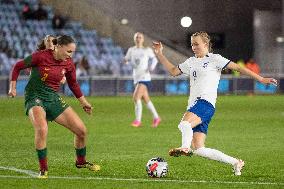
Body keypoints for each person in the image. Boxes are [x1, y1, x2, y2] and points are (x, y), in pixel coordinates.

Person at [152, 31, 277, 176]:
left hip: (205, 103)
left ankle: (185, 147)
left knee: (184, 124)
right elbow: (173, 71)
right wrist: (159, 53)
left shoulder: (215, 59)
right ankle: (236, 162)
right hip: (195, 106)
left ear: (205, 44)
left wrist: (261, 79)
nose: (193, 47)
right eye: (192, 44)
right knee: (199, 148)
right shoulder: (191, 62)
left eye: (196, 44)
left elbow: (239, 68)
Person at [8, 35, 100, 178]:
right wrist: (12, 87)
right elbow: (18, 66)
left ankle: (81, 162)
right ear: (59, 47)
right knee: (42, 128)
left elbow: (73, 83)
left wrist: (84, 102)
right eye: (69, 51)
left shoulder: (68, 63)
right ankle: (43, 169)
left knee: (81, 131)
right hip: (35, 97)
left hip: (52, 98)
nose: (71, 55)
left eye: (73, 52)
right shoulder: (40, 57)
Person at [124, 32, 161, 128]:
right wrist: (126, 61)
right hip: (136, 77)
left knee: (136, 98)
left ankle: (137, 121)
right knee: (146, 99)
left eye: (140, 37)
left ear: (143, 39)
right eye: (136, 37)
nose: (138, 39)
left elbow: (155, 60)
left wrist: (151, 68)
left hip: (144, 77)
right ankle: (156, 117)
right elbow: (126, 59)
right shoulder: (131, 50)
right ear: (134, 39)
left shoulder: (147, 50)